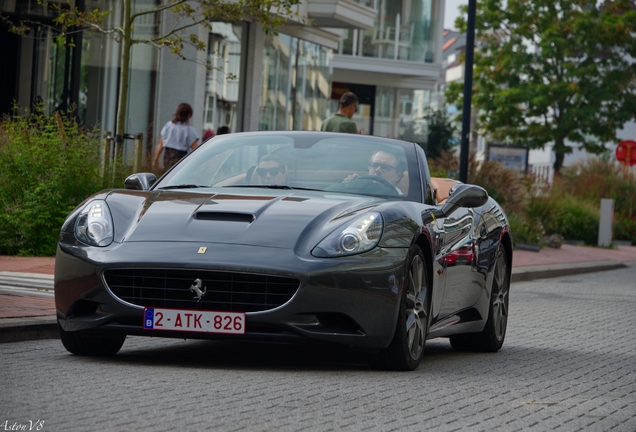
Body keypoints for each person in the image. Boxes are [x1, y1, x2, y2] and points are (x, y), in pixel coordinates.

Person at [153, 103, 199, 170]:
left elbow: (161, 143)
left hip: (167, 155)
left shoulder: (169, 125)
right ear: (188, 115)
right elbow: (195, 149)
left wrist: (156, 159)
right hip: (181, 157)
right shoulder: (189, 130)